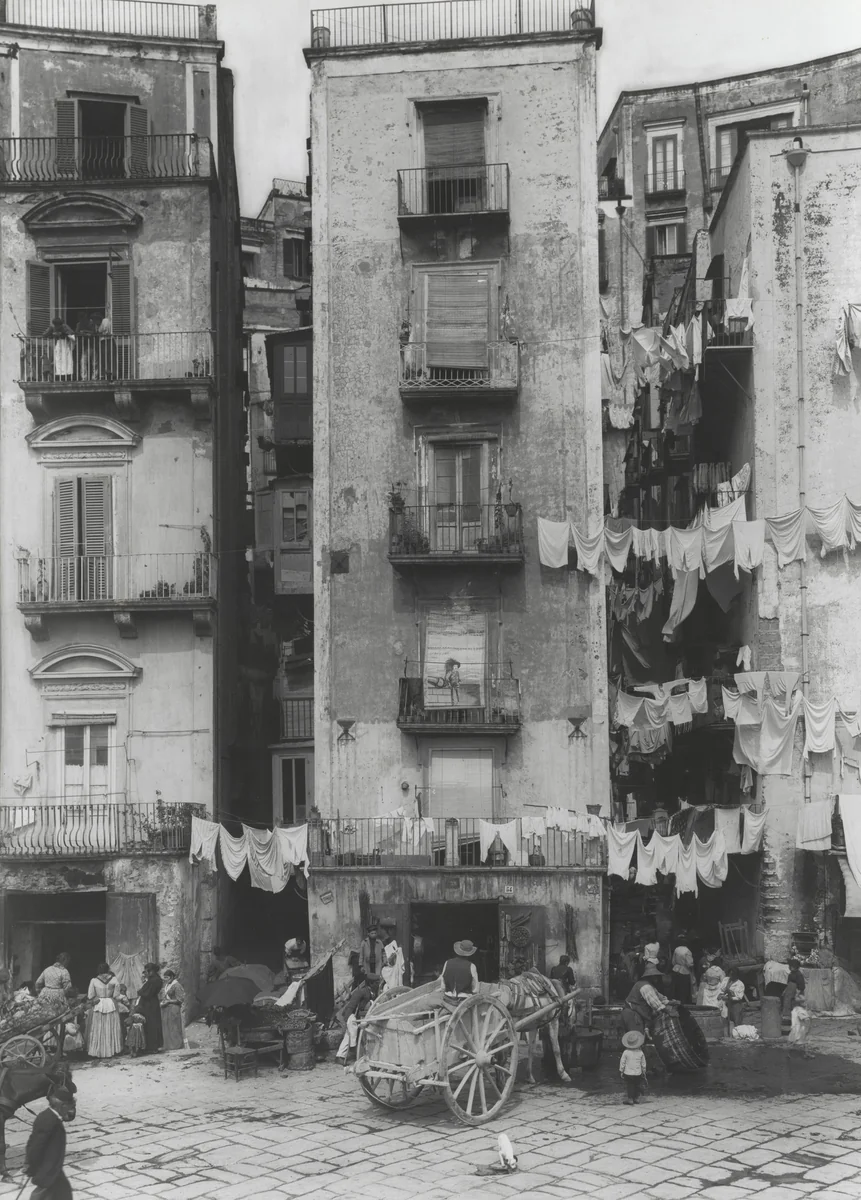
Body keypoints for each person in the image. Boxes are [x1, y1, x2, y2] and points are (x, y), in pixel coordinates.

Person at [25, 1085, 75, 1200]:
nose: (70, 1111)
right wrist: (32, 1167)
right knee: (41, 1196)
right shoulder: (49, 1120)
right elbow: (35, 1146)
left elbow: (31, 1141)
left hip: (54, 1169)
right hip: (47, 1171)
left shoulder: (48, 1116)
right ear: (62, 1106)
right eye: (70, 1107)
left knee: (64, 1193)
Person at [622, 960, 676, 1036]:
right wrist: (671, 1012)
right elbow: (657, 1005)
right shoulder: (646, 986)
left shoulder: (650, 986)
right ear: (652, 977)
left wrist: (671, 1002)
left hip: (637, 1014)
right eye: (656, 976)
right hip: (633, 1015)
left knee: (638, 1039)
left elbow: (661, 999)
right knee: (637, 1039)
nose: (657, 978)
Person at [335, 971, 374, 1065]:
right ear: (371, 983)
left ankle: (340, 1056)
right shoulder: (361, 992)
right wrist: (348, 1018)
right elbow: (352, 1005)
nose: (377, 984)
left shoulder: (370, 991)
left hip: (359, 1015)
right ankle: (347, 1052)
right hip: (351, 1015)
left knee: (349, 1036)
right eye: (376, 983)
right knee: (351, 1033)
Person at [86, 962, 122, 1058]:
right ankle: (111, 1050)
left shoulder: (94, 980)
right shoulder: (114, 979)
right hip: (110, 1003)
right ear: (108, 969)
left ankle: (98, 1050)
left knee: (98, 1027)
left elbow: (90, 995)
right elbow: (116, 995)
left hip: (99, 1004)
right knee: (110, 1026)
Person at [783, 957, 813, 1057]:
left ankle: (803, 1051)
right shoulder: (791, 974)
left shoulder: (799, 975)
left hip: (797, 993)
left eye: (791, 966)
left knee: (798, 1014)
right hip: (790, 993)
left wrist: (796, 994)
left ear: (795, 966)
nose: (790, 967)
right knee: (792, 1012)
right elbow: (788, 984)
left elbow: (801, 987)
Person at [135, 963, 163, 1054]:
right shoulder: (156, 979)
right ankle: (154, 1046)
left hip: (149, 1005)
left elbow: (146, 993)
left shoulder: (153, 981)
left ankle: (151, 1046)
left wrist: (139, 991)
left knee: (151, 1025)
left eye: (146, 971)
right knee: (154, 1024)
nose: (145, 973)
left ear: (151, 971)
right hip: (153, 1003)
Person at [159, 969, 186, 1051]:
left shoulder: (177, 985)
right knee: (167, 1027)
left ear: (171, 977)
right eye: (164, 977)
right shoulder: (166, 985)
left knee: (174, 1027)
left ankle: (176, 1045)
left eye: (166, 977)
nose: (165, 979)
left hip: (174, 1008)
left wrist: (169, 1001)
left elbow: (180, 999)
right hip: (166, 1009)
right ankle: (168, 1045)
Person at [619, 1030, 648, 1105]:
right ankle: (637, 1098)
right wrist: (644, 1071)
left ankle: (630, 1099)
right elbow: (643, 1063)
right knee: (637, 1085)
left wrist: (621, 1071)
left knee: (630, 1085)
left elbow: (622, 1062)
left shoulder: (626, 1052)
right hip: (638, 1072)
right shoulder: (640, 1052)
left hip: (628, 1073)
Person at [380, 925, 404, 993]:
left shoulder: (392, 945)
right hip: (387, 965)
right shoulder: (384, 944)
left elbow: (390, 959)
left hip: (391, 966)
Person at [671, 938, 695, 1004]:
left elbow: (673, 961)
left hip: (676, 969)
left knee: (677, 988)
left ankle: (677, 1001)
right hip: (684, 970)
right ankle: (685, 1002)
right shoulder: (687, 951)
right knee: (685, 989)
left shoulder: (676, 949)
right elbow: (689, 963)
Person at [722, 968, 746, 1033]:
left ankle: (738, 1035)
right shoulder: (727, 980)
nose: (731, 976)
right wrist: (721, 995)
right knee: (727, 1019)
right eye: (730, 974)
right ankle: (729, 1035)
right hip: (727, 1004)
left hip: (736, 1004)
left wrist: (731, 998)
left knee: (737, 1021)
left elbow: (739, 997)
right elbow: (722, 989)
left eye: (733, 975)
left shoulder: (740, 984)